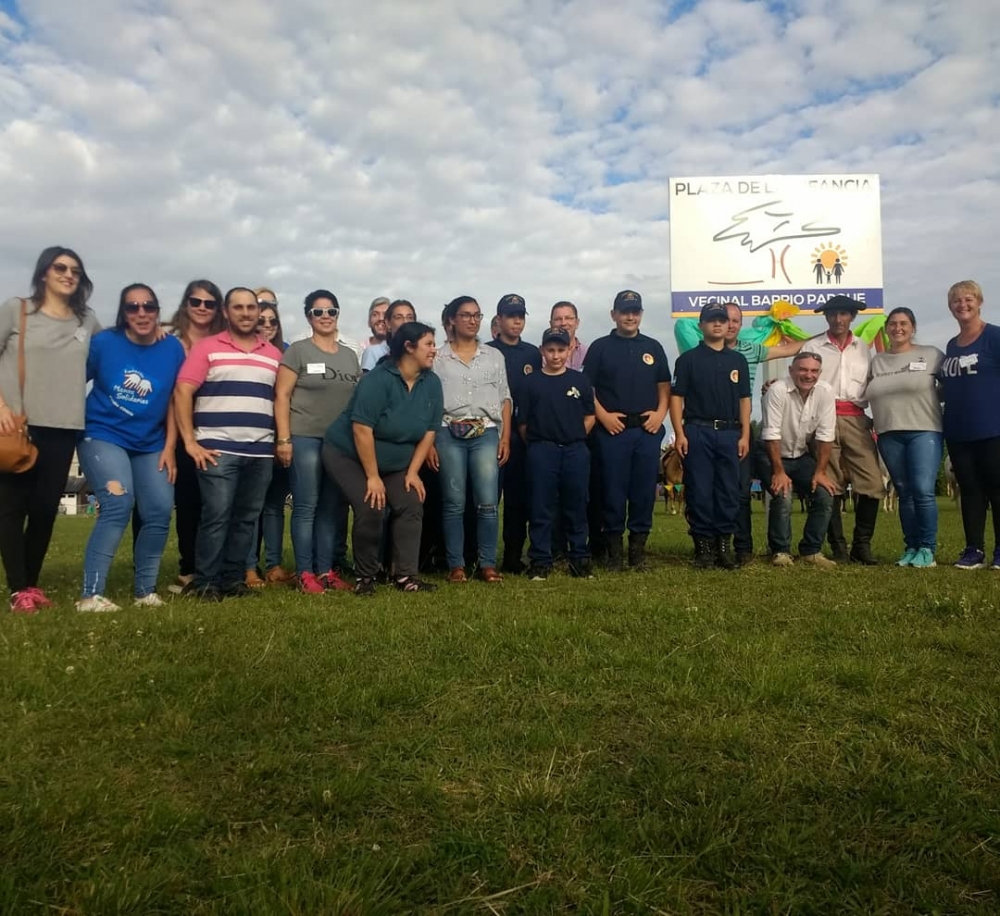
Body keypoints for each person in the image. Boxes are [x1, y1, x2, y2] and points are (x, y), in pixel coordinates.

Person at [0, 247, 101, 613]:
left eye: (76, 269)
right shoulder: (17, 310)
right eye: (60, 267)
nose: (68, 274)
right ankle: (18, 589)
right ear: (44, 272)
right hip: (18, 425)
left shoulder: (86, 320)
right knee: (11, 509)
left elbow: (106, 357)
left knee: (44, 510)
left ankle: (31, 584)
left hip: (64, 426)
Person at [75, 284, 186, 611]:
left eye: (148, 307)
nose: (141, 313)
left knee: (159, 510)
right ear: (123, 314)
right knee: (118, 503)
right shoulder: (104, 344)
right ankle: (90, 595)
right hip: (103, 434)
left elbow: (173, 402)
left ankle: (145, 592)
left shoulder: (173, 349)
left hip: (151, 442)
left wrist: (170, 446)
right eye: (133, 307)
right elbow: (72, 381)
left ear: (157, 311)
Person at [173, 287, 282, 600]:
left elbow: (278, 400)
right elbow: (182, 391)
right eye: (239, 308)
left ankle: (233, 582)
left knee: (246, 520)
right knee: (217, 516)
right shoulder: (208, 347)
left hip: (260, 451)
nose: (246, 313)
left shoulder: (273, 354)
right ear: (226, 311)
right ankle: (206, 583)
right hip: (218, 449)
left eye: (251, 308)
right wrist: (190, 442)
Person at [323, 322, 442, 595]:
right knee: (372, 504)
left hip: (397, 463)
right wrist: (373, 477)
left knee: (411, 501)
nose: (434, 350)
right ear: (409, 348)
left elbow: (429, 431)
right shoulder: (378, 379)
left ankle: (405, 576)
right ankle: (365, 577)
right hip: (348, 454)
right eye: (429, 344)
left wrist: (412, 473)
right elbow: (361, 429)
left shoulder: (432, 383)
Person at [274, 290, 360, 593]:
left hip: (338, 444)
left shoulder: (350, 356)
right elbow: (282, 395)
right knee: (306, 506)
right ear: (308, 316)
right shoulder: (298, 351)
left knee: (330, 509)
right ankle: (304, 572)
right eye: (318, 311)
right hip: (304, 436)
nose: (325, 317)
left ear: (338, 315)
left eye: (331, 311)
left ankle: (326, 571)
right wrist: (284, 439)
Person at [583, 290, 670, 571]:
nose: (630, 316)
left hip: (646, 430)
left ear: (641, 314)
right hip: (612, 431)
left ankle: (638, 554)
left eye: (635, 311)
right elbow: (588, 390)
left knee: (645, 493)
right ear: (614, 315)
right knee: (612, 492)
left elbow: (664, 387)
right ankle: (614, 556)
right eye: (624, 311)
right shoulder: (600, 347)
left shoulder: (654, 347)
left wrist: (660, 414)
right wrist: (603, 416)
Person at [431, 296, 511, 583]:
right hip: (448, 430)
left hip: (486, 432)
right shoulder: (438, 358)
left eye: (477, 315)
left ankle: (488, 564)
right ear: (452, 319)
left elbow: (505, 398)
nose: (472, 320)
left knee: (488, 501)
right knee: (454, 501)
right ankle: (456, 565)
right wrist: (429, 442)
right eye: (465, 315)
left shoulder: (494, 356)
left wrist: (506, 438)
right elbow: (429, 402)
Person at [723, 302, 807, 565]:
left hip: (741, 428)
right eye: (725, 319)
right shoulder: (703, 350)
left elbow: (790, 349)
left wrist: (820, 336)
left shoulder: (751, 349)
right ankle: (715, 544)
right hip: (709, 426)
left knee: (741, 491)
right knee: (717, 491)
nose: (731, 324)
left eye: (736, 320)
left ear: (741, 324)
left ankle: (744, 547)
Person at [669, 302, 751, 569]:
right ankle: (703, 547)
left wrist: (745, 434)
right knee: (700, 489)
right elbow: (677, 398)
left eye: (722, 320)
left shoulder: (738, 360)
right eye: (711, 320)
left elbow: (744, 400)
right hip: (698, 430)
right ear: (701, 325)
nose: (718, 324)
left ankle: (723, 546)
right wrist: (680, 433)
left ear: (729, 325)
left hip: (729, 432)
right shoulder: (688, 360)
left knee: (728, 489)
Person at [803, 295, 884, 564]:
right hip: (823, 417)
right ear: (826, 317)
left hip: (857, 418)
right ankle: (838, 547)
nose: (839, 319)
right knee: (829, 483)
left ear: (852, 317)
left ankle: (862, 545)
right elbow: (801, 378)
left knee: (872, 482)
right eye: (834, 314)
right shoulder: (813, 345)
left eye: (844, 314)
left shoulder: (863, 348)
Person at [864, 307, 944, 568]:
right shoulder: (877, 362)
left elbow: (952, 385)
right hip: (888, 433)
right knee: (904, 492)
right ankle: (911, 547)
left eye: (904, 323)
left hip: (924, 430)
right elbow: (860, 391)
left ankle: (927, 549)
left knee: (922, 490)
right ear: (886, 328)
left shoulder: (931, 354)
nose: (898, 328)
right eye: (893, 324)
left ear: (913, 327)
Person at [162, 279, 225, 594]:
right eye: (195, 301)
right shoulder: (168, 340)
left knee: (208, 504)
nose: (202, 308)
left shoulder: (222, 341)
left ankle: (207, 565)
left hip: (212, 429)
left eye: (209, 303)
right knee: (183, 501)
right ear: (185, 304)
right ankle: (188, 568)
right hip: (171, 428)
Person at [518, 327, 596, 580]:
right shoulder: (531, 382)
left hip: (575, 450)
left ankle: (579, 558)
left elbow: (590, 416)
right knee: (541, 506)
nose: (555, 355)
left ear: (570, 349)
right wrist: (542, 443)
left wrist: (573, 435)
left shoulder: (580, 381)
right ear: (542, 351)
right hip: (542, 450)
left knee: (577, 505)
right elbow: (523, 424)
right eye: (550, 350)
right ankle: (541, 559)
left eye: (561, 350)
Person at [938, 280, 1000, 569]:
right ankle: (974, 549)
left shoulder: (994, 337)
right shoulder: (951, 345)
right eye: (956, 301)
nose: (962, 305)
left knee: (997, 489)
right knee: (971, 491)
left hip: (992, 429)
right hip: (960, 432)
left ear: (979, 301)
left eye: (968, 299)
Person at [760, 351, 838, 568]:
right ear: (791, 371)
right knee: (783, 494)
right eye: (802, 369)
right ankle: (781, 552)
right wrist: (778, 471)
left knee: (824, 494)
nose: (808, 375)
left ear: (819, 373)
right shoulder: (777, 391)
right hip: (771, 454)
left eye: (814, 371)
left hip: (801, 455)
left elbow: (825, 435)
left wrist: (820, 472)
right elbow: (771, 434)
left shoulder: (825, 392)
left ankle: (811, 551)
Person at [487, 293, 542, 572]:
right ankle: (478, 556)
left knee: (519, 500)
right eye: (511, 316)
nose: (516, 321)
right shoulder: (486, 351)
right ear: (499, 319)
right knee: (487, 498)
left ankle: (512, 556)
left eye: (521, 316)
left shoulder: (533, 353)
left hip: (522, 436)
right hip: (490, 434)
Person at [245, 294, 293, 587]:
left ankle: (274, 565)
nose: (267, 325)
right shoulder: (245, 351)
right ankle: (248, 567)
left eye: (273, 321)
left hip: (281, 437)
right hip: (253, 436)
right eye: (261, 320)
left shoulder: (286, 354)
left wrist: (285, 437)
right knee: (252, 506)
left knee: (275, 505)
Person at [550, 300, 588, 370]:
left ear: (577, 323)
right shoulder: (543, 357)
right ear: (551, 324)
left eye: (568, 318)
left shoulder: (588, 353)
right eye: (558, 319)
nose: (563, 323)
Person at [360, 297, 390, 371]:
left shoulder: (399, 351)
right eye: (375, 314)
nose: (381, 318)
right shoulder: (357, 351)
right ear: (369, 322)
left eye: (385, 315)